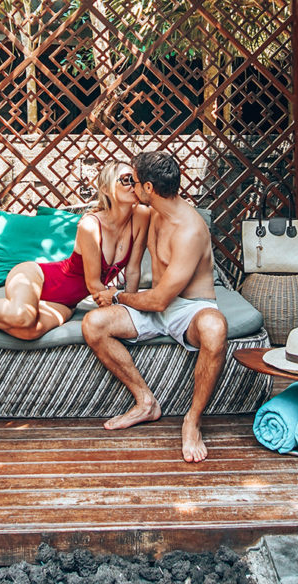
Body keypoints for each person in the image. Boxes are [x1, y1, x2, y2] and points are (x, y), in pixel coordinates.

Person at [82, 151, 228, 463]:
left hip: (188, 309)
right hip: (153, 306)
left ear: (148, 188)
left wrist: (118, 297)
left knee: (215, 328)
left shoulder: (189, 230)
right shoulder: (152, 214)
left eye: (133, 182)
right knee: (94, 324)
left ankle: (193, 420)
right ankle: (145, 401)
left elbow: (161, 299)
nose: (130, 187)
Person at [0, 160, 150, 340]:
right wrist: (120, 302)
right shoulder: (90, 225)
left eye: (134, 180)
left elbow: (133, 271)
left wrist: (130, 307)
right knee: (22, 316)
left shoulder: (141, 216)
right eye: (126, 179)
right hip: (36, 276)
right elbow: (93, 286)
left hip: (66, 304)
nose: (133, 185)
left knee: (30, 332)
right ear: (107, 189)